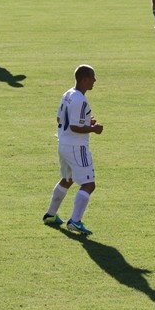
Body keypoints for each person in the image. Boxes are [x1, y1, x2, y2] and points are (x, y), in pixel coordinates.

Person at [42, 64, 103, 235]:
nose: (95, 81)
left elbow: (59, 118)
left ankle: (51, 215)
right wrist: (93, 128)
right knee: (89, 184)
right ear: (85, 79)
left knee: (67, 179)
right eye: (93, 77)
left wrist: (86, 123)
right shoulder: (80, 100)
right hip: (77, 147)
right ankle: (75, 221)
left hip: (63, 145)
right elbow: (76, 127)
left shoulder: (68, 94)